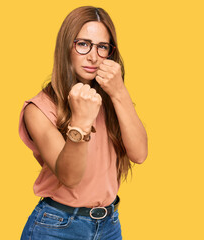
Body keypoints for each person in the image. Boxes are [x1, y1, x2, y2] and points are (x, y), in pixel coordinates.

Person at [18, 6, 148, 240]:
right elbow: (69, 177)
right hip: (56, 227)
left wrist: (120, 93)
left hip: (109, 225)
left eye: (102, 47)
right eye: (83, 44)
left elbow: (139, 154)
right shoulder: (39, 109)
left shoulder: (112, 98)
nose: (93, 56)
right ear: (66, 47)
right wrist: (80, 122)